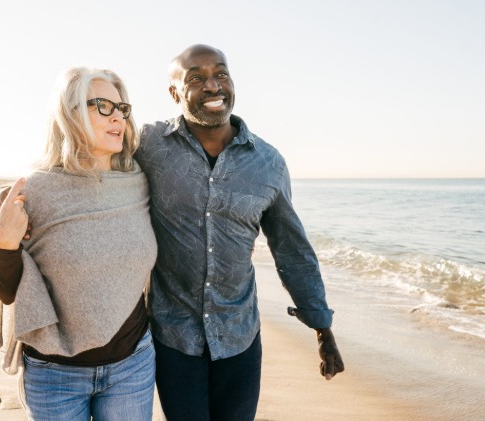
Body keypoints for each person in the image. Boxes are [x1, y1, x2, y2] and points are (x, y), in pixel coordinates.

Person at [133, 44, 345, 420]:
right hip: (173, 335)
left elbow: (291, 248)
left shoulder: (268, 162)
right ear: (175, 93)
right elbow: (96, 170)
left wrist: (322, 329)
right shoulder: (149, 145)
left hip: (239, 336)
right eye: (196, 78)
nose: (213, 86)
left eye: (221, 74)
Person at [0, 67, 158, 421]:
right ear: (70, 115)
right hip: (55, 375)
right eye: (103, 106)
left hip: (133, 363)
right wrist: (3, 245)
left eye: (122, 108)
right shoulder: (37, 191)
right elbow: (8, 294)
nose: (118, 117)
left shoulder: (138, 182)